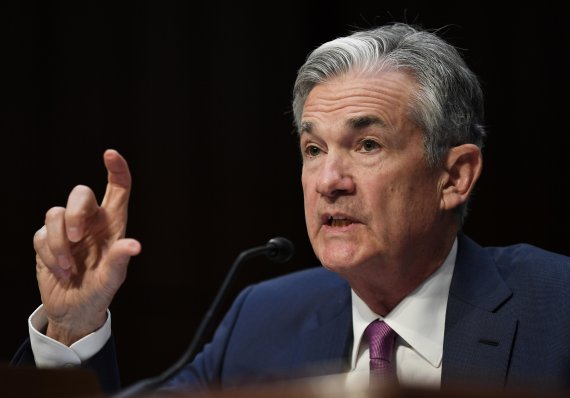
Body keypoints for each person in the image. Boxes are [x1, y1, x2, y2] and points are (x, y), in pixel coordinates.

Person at [12, 22, 570, 396]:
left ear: (454, 176)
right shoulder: (263, 320)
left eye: (367, 145)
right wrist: (70, 329)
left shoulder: (557, 308)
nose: (328, 181)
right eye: (313, 149)